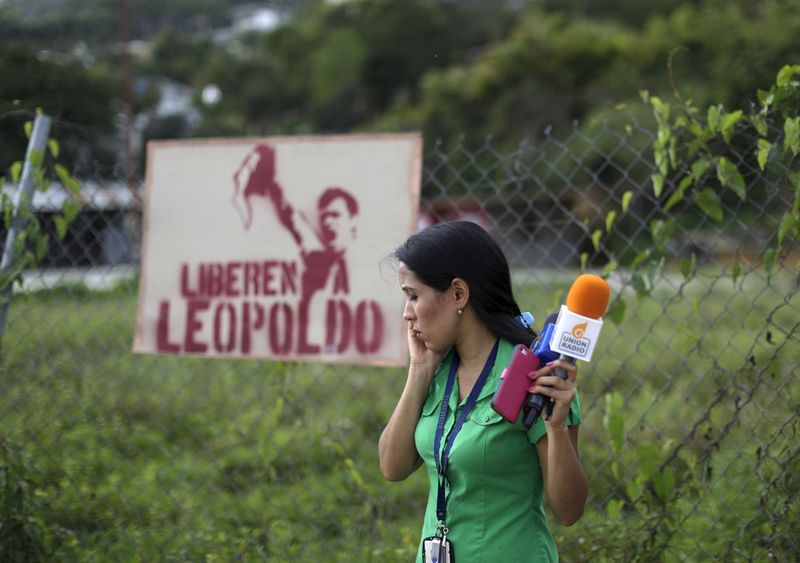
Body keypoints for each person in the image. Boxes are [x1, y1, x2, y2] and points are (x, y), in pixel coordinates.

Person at [378, 221, 587, 562]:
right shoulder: (438, 368)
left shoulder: (536, 373)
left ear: (458, 293)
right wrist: (419, 371)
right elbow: (392, 467)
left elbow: (569, 510)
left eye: (414, 296)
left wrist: (557, 428)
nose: (407, 313)